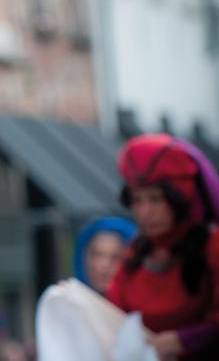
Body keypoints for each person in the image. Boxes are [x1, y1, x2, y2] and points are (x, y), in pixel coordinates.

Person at [108, 134, 219, 360]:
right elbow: (113, 314)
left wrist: (183, 341)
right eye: (137, 200)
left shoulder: (213, 247)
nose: (144, 212)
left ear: (180, 199)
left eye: (155, 199)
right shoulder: (135, 254)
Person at [74, 217, 136, 295]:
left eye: (115, 257)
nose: (104, 265)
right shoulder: (67, 301)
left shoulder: (142, 305)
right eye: (96, 255)